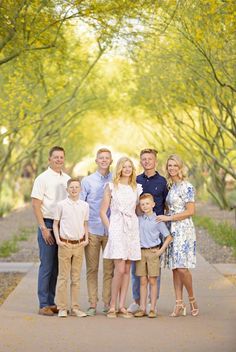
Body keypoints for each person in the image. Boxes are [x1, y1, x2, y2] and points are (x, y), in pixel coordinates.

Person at [157, 154, 199, 317]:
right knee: (175, 267)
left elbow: (190, 211)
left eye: (175, 165)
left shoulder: (186, 186)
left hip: (183, 229)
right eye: (169, 166)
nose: (172, 168)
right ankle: (179, 303)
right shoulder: (171, 186)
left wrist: (169, 217)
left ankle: (192, 299)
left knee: (182, 268)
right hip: (171, 229)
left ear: (180, 167)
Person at [100, 157, 142, 318]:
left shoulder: (136, 187)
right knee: (119, 268)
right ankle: (112, 305)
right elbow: (102, 211)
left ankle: (122, 305)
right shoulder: (111, 186)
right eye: (124, 166)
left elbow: (138, 210)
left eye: (130, 166)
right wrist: (110, 228)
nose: (127, 169)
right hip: (117, 227)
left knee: (127, 269)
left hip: (132, 228)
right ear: (119, 169)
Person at [31, 146, 70, 316]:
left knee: (57, 266)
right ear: (49, 159)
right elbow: (35, 204)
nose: (59, 160)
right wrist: (43, 228)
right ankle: (43, 303)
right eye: (55, 157)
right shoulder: (42, 178)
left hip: (62, 226)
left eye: (61, 157)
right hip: (47, 224)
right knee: (46, 265)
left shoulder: (67, 179)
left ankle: (52, 302)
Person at [128, 148, 168, 313]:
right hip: (138, 227)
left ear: (155, 161)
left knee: (153, 271)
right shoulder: (135, 180)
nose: (147, 162)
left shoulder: (162, 181)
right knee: (136, 270)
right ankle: (137, 301)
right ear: (141, 161)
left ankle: (153, 303)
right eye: (143, 159)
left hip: (155, 228)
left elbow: (166, 204)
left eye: (149, 159)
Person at [80, 148, 114, 316]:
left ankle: (107, 303)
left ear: (111, 160)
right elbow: (81, 206)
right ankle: (92, 303)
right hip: (92, 230)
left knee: (109, 270)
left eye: (107, 158)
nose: (104, 160)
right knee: (92, 269)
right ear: (96, 160)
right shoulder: (87, 181)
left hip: (111, 231)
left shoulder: (116, 179)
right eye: (101, 158)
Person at [53, 178, 89, 318]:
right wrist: (58, 240)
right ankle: (62, 307)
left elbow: (85, 224)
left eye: (76, 187)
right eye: (71, 187)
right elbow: (56, 224)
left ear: (80, 189)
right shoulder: (61, 205)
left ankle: (75, 307)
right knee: (63, 277)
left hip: (79, 244)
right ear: (67, 190)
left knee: (76, 278)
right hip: (65, 244)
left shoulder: (84, 205)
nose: (74, 189)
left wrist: (86, 239)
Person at [134, 193, 172, 318]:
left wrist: (161, 251)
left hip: (153, 252)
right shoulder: (139, 220)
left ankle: (153, 308)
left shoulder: (158, 220)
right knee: (143, 281)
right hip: (141, 253)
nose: (145, 206)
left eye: (147, 204)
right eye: (142, 204)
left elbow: (168, 237)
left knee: (153, 280)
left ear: (153, 204)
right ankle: (142, 308)